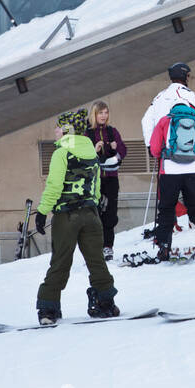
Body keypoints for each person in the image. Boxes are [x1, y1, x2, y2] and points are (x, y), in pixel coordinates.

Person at [34, 109, 118, 324]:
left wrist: (43, 212)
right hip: (91, 214)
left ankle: (48, 309)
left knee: (61, 262)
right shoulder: (91, 152)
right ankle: (106, 302)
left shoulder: (62, 153)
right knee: (96, 260)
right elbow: (97, 186)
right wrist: (94, 207)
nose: (55, 130)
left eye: (59, 126)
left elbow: (54, 186)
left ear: (66, 129)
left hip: (67, 216)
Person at [142, 63, 195, 258]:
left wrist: (153, 149)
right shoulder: (190, 97)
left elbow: (146, 122)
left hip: (169, 169)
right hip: (192, 167)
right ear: (186, 77)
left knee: (166, 209)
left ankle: (164, 247)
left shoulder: (159, 99)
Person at [86, 101, 126, 260]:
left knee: (110, 214)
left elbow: (123, 150)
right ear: (94, 115)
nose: (104, 116)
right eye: (100, 113)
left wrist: (116, 149)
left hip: (111, 179)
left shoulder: (112, 131)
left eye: (106, 112)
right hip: (94, 181)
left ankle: (108, 247)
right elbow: (83, 157)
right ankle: (95, 247)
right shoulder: (87, 134)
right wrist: (94, 150)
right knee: (95, 214)